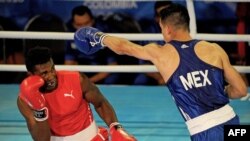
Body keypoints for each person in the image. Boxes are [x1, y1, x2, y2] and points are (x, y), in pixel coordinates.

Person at [73, 3, 247, 141]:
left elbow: (124, 47)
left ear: (168, 29)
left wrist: (100, 37)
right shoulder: (214, 49)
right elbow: (240, 90)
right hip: (232, 124)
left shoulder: (161, 53)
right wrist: (222, 91)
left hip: (205, 132)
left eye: (161, 27)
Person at [16, 46, 137, 141]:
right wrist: (39, 109)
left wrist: (116, 127)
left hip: (92, 138)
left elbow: (100, 104)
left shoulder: (76, 79)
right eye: (44, 73)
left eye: (52, 69)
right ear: (31, 75)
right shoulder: (24, 101)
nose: (51, 76)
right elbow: (41, 139)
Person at [65, 5, 119, 84]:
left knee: (112, 80)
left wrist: (89, 82)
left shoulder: (103, 32)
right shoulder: (69, 34)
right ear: (73, 24)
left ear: (93, 21)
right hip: (82, 73)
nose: (84, 29)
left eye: (87, 23)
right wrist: (80, 80)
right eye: (79, 25)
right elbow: (69, 63)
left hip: (103, 72)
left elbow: (112, 64)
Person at [134, 1, 173, 85]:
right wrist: (159, 77)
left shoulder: (181, 31)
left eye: (169, 13)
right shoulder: (147, 33)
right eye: (163, 14)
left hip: (176, 71)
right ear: (156, 18)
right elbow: (143, 63)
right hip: (155, 72)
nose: (167, 17)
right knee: (140, 81)